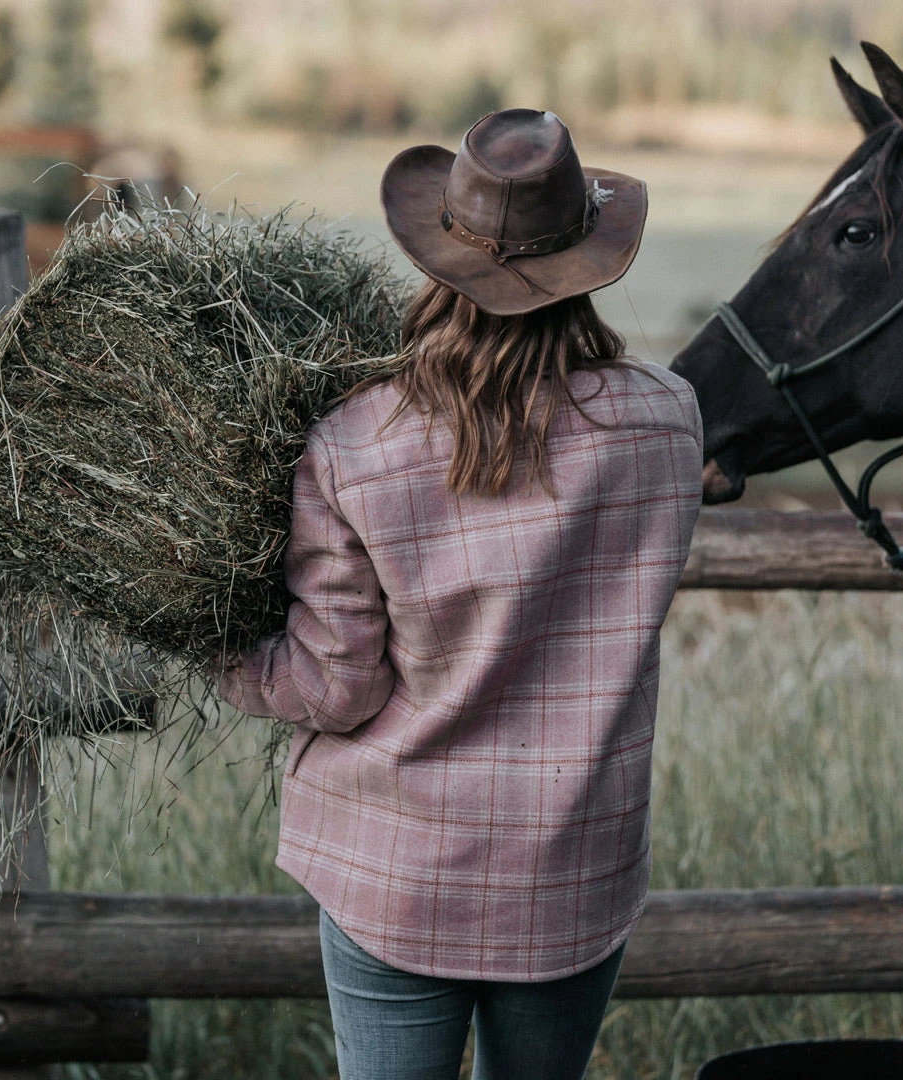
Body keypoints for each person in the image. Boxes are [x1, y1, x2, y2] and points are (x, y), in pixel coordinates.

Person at [219, 108, 703, 1080]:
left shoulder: (353, 442)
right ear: (588, 259)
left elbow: (338, 687)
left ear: (443, 258)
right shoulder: (669, 422)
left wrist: (226, 658)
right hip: (572, 873)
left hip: (394, 870)